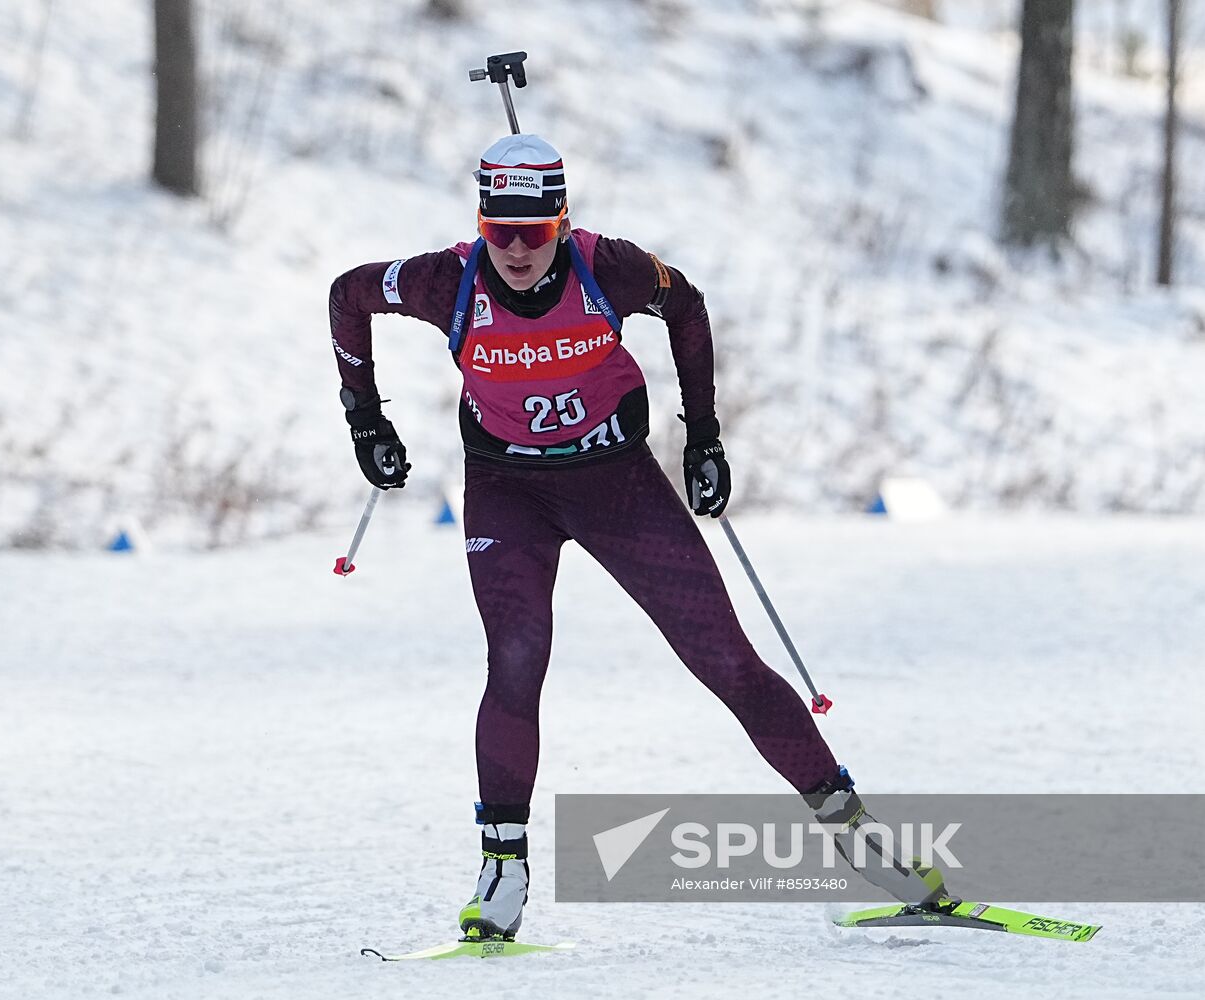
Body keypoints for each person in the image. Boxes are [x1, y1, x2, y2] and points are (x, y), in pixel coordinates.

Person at [328, 134, 943, 941]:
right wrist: (364, 419)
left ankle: (860, 836)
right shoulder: (447, 279)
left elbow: (683, 306)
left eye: (533, 230)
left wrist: (704, 437)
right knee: (515, 657)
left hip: (613, 483)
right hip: (506, 489)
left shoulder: (606, 267)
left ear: (561, 220)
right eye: (497, 229)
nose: (514, 248)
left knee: (724, 659)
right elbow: (347, 294)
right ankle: (500, 873)